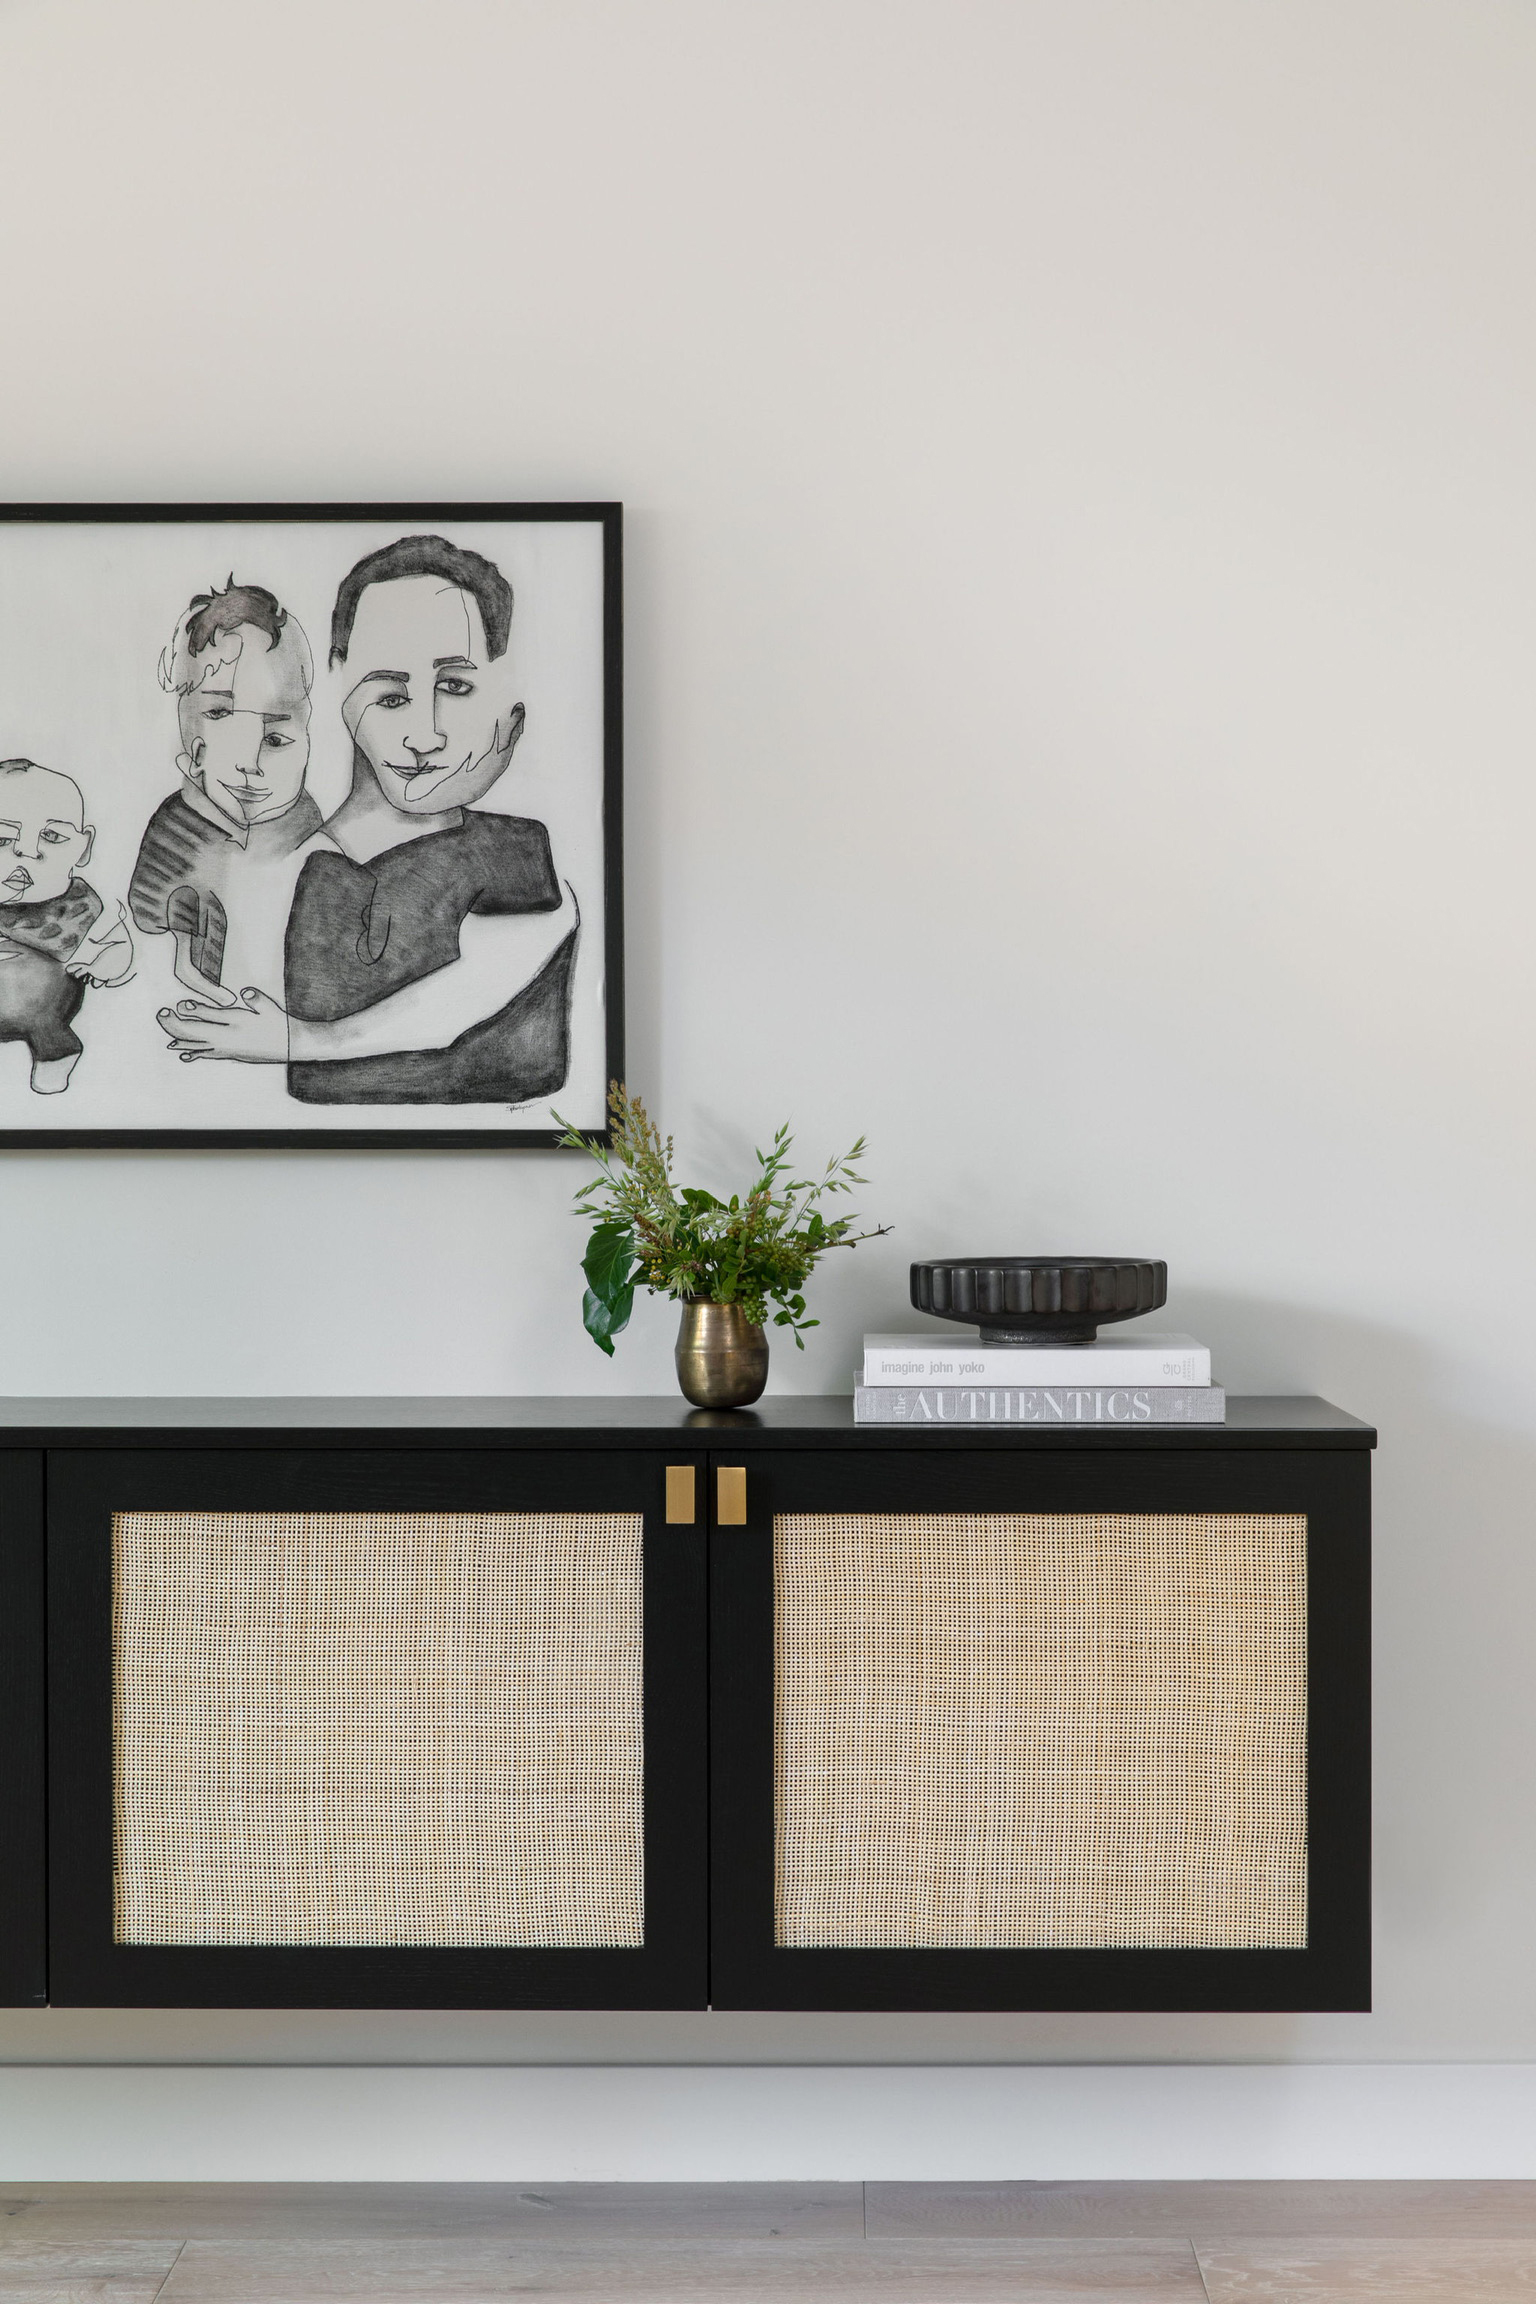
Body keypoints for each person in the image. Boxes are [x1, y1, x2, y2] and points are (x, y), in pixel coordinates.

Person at [157, 535, 577, 1105]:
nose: (424, 736)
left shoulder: (514, 848)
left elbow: (473, 992)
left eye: (455, 686)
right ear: (338, 679)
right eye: (391, 695)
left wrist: (302, 1041)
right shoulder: (302, 863)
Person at [130, 580, 329, 1005]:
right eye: (220, 714)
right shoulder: (175, 833)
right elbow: (166, 960)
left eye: (276, 738)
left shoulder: (309, 823)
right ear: (189, 738)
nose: (250, 762)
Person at [0, 758, 134, 1093]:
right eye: (2, 839)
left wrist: (105, 964)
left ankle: (57, 1057)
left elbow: (116, 943)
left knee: (46, 1028)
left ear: (83, 847)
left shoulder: (79, 906)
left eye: (51, 836)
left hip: (43, 1009)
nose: (27, 852)